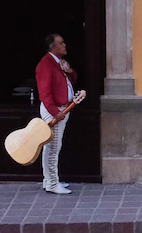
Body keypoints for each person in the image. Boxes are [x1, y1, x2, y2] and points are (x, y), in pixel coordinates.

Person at [35, 33, 83, 194]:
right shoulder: (45, 64)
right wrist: (55, 113)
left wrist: (69, 71)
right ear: (52, 47)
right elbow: (45, 93)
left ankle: (49, 179)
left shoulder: (58, 63)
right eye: (61, 43)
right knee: (53, 147)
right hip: (54, 110)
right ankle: (53, 184)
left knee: (51, 146)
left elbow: (72, 79)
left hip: (62, 108)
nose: (64, 45)